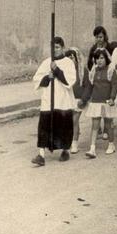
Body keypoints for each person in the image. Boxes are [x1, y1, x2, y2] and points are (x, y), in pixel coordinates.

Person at [31, 36, 77, 166]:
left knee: (63, 126)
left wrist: (56, 70)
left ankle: (65, 150)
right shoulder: (46, 62)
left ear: (62, 48)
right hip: (48, 100)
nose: (54, 50)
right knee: (44, 125)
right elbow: (37, 79)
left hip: (63, 100)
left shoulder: (68, 62)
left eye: (57, 47)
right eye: (52, 47)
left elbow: (70, 81)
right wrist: (47, 77)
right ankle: (41, 154)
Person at [80, 48, 117, 157]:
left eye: (101, 58)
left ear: (106, 59)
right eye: (97, 58)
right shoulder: (94, 71)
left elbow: (115, 85)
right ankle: (92, 148)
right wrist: (84, 99)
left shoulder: (111, 71)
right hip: (96, 102)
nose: (99, 61)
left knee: (108, 125)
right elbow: (90, 87)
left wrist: (112, 97)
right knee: (95, 125)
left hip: (107, 102)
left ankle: (111, 144)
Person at [66, 47, 89, 154]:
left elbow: (88, 86)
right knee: (71, 121)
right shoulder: (65, 71)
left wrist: (84, 99)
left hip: (78, 99)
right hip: (68, 99)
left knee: (74, 121)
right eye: (68, 57)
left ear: (76, 58)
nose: (71, 60)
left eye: (72, 57)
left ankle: (74, 144)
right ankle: (72, 140)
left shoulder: (82, 71)